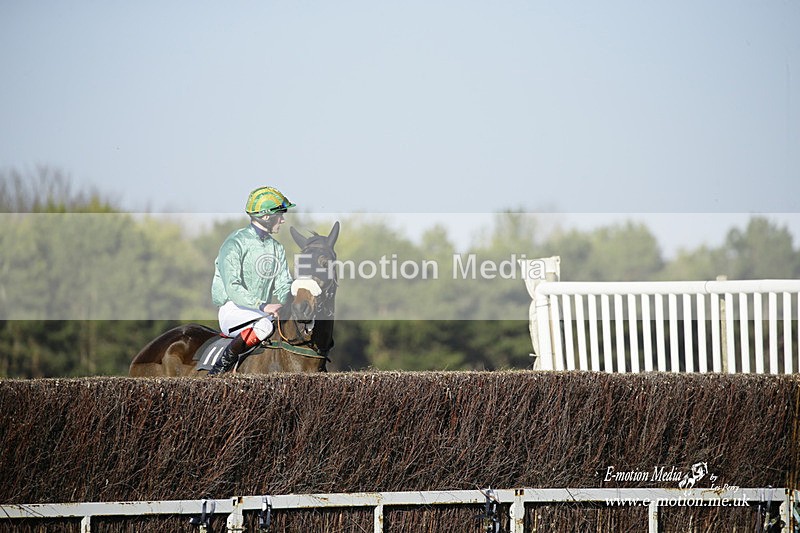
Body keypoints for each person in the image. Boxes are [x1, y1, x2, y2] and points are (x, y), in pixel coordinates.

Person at [207, 186, 296, 375]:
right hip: (233, 310)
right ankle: (217, 371)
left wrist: (287, 300)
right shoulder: (234, 244)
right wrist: (263, 306)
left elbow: (283, 284)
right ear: (266, 217)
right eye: (280, 214)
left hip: (261, 311)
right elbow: (233, 287)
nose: (283, 219)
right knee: (264, 326)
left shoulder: (277, 248)